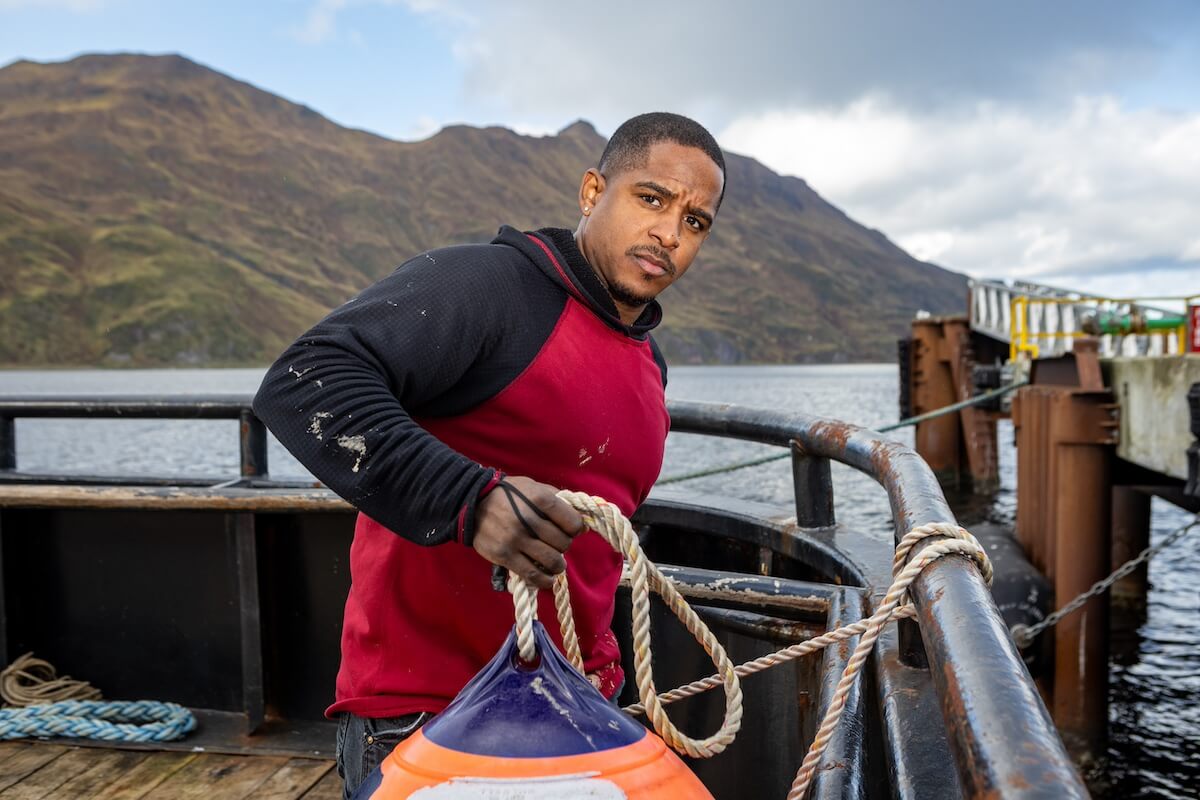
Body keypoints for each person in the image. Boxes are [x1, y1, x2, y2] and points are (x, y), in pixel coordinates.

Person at [252, 111, 726, 799]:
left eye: (695, 222)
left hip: (581, 708)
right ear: (594, 191)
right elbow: (308, 378)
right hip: (432, 714)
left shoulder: (647, 362)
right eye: (651, 199)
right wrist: (468, 500)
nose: (669, 234)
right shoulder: (492, 289)